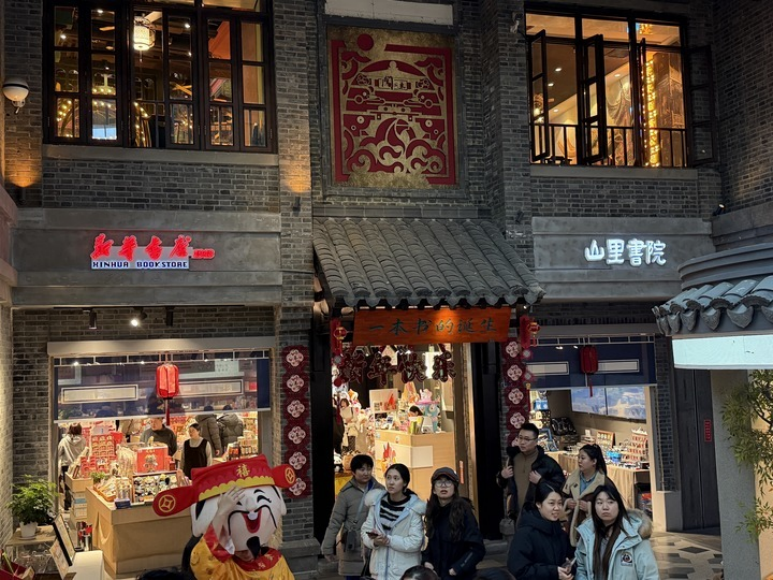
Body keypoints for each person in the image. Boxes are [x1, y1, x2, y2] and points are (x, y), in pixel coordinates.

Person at [574, 482, 658, 580]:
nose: (605, 507)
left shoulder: (635, 536)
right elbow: (581, 569)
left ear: (619, 505)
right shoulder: (587, 534)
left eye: (610, 502)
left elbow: (649, 575)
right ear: (594, 507)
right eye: (599, 503)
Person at [321, 454, 385, 580]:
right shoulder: (346, 493)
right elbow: (335, 521)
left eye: (368, 469)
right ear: (354, 472)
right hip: (354, 546)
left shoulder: (381, 491)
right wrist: (327, 547)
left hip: (376, 545)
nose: (366, 473)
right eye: (362, 469)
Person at [361, 463, 426, 580]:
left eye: (396, 478)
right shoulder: (376, 503)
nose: (391, 482)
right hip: (378, 572)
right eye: (388, 478)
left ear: (404, 482)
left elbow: (415, 542)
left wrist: (389, 540)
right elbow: (365, 531)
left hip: (404, 574)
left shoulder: (414, 508)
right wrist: (375, 542)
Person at [422, 467, 485, 580]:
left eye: (448, 482)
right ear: (434, 490)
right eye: (439, 482)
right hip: (438, 575)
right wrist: (427, 561)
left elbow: (477, 548)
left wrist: (457, 569)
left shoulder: (464, 511)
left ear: (455, 488)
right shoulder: (433, 512)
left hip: (460, 576)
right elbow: (431, 543)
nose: (443, 486)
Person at [496, 423, 565, 522]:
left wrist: (541, 481)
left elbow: (561, 488)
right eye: (520, 438)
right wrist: (502, 476)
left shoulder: (547, 463)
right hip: (517, 514)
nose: (522, 442)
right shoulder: (513, 459)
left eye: (527, 439)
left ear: (536, 441)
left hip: (539, 516)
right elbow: (501, 485)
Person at [507, 482, 574, 580]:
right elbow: (519, 569)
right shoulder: (525, 533)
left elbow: (572, 557)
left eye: (560, 503)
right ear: (538, 504)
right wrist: (553, 572)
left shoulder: (560, 533)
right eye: (551, 503)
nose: (557, 508)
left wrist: (569, 568)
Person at [562, 444, 609, 547]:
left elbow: (612, 506)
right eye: (578, 457)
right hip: (571, 529)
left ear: (594, 461)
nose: (579, 461)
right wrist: (567, 502)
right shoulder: (572, 478)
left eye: (583, 458)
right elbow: (560, 496)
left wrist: (590, 507)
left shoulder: (603, 482)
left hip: (594, 530)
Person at [57, 424, 86, 510]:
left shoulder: (64, 440)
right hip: (78, 466)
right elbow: (85, 453)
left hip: (67, 465)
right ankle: (78, 505)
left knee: (67, 486)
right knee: (78, 485)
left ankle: (68, 504)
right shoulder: (83, 440)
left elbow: (59, 452)